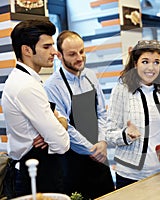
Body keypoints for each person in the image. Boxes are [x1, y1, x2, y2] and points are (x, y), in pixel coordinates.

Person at [1, 19, 70, 197]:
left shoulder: (29, 80)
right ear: (27, 50)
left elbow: (61, 118)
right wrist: (56, 129)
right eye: (46, 47)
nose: (54, 52)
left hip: (41, 167)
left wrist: (58, 123)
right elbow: (62, 143)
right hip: (32, 174)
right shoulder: (25, 86)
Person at [44, 30, 115, 199]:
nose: (79, 57)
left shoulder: (90, 76)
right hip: (74, 162)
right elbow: (64, 127)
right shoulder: (52, 86)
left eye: (82, 51)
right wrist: (91, 150)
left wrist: (103, 141)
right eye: (72, 54)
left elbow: (101, 113)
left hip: (100, 157)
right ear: (60, 56)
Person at [105, 40, 160, 189]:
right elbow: (109, 133)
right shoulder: (121, 90)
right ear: (135, 64)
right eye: (145, 61)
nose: (151, 68)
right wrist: (126, 135)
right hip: (130, 176)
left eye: (156, 62)